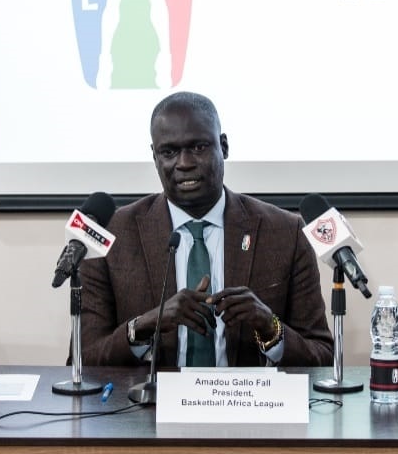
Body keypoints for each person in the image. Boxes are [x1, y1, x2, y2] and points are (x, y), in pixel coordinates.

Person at [80, 92, 333, 367]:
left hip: (247, 404)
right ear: (154, 156)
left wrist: (270, 326)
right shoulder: (112, 235)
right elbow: (82, 358)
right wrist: (142, 326)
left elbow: (321, 354)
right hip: (147, 407)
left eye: (198, 147)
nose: (185, 163)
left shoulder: (284, 232)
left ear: (223, 146)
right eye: (169, 152)